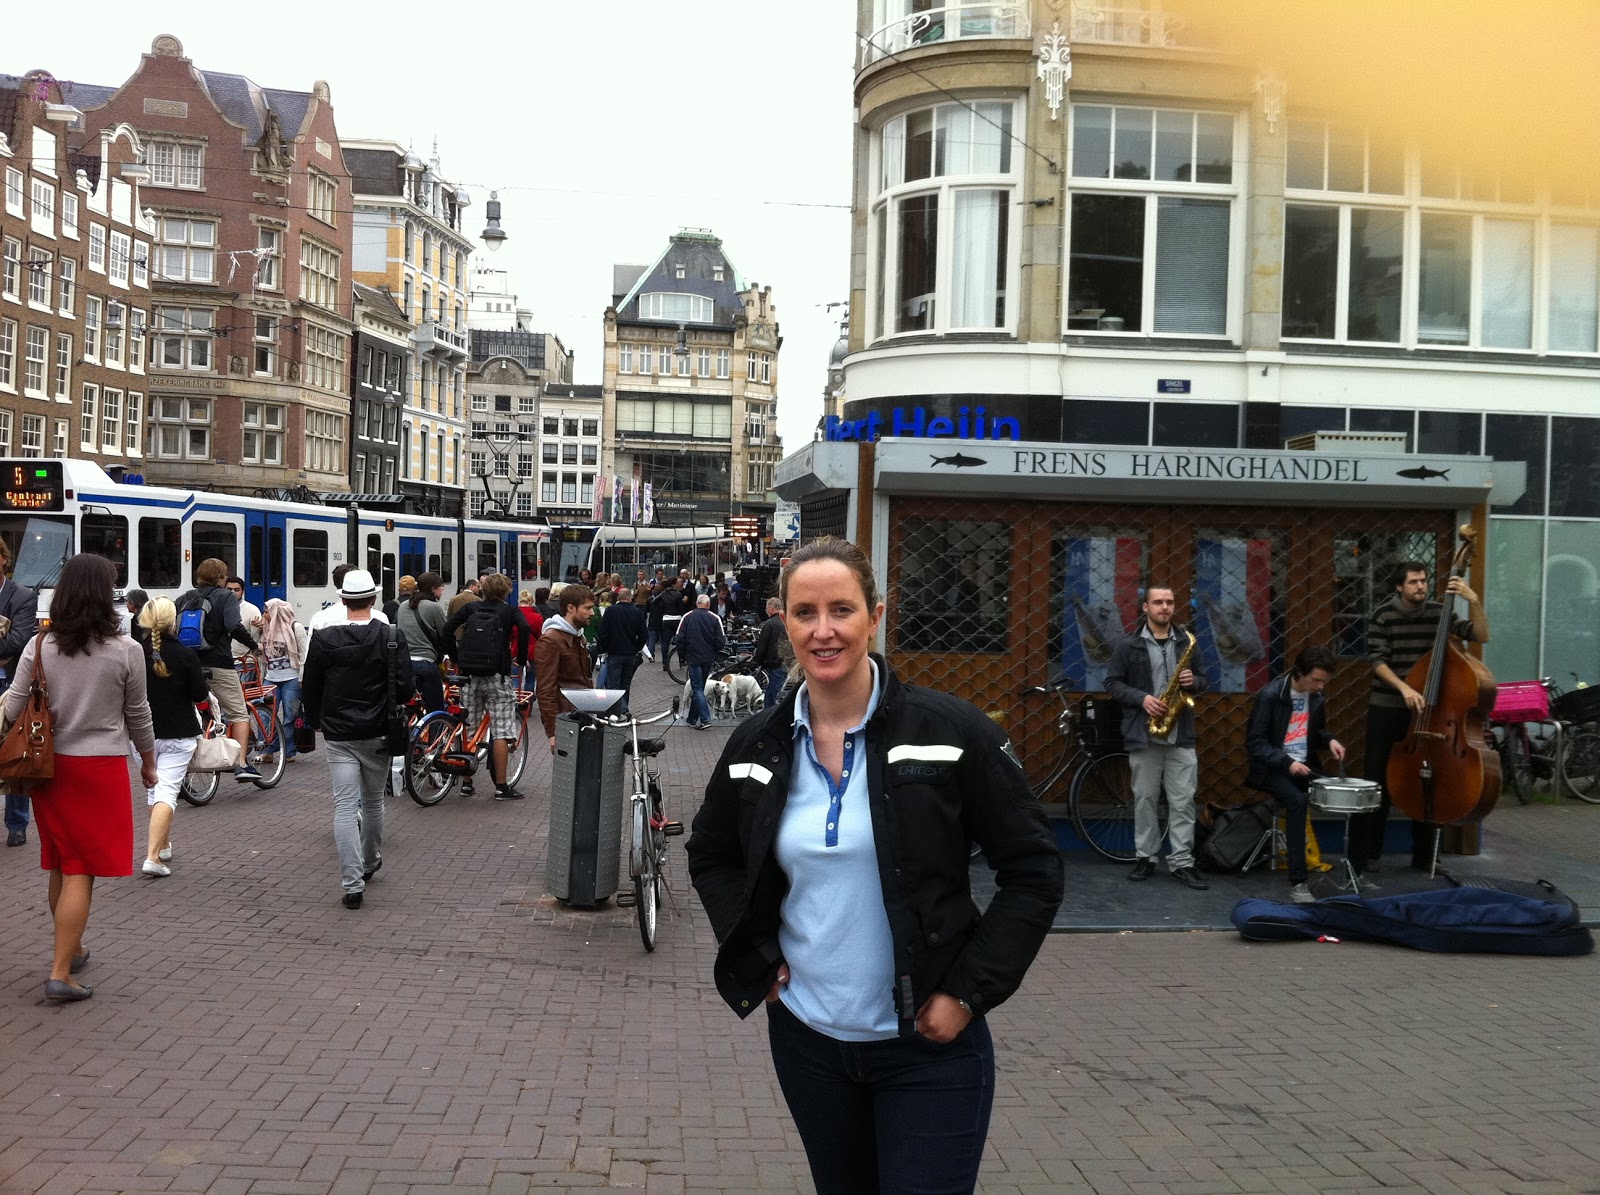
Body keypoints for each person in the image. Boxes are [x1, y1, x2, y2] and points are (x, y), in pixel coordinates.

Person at [686, 537, 1063, 1194]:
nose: (823, 630)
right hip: (809, 1042)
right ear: (784, 620)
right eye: (805, 612)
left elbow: (1034, 870)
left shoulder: (949, 732)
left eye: (842, 609)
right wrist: (754, 950)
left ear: (875, 616)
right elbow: (710, 852)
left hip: (928, 1047)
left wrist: (967, 993)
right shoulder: (759, 743)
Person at [2, 554, 159, 1001]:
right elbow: (138, 715)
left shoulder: (39, 645)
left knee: (61, 861)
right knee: (81, 869)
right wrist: (149, 763)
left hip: (48, 768)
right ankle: (60, 973)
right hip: (99, 768)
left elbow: (14, 705)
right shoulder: (126, 650)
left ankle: (71, 950)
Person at [1353, 559, 1489, 879]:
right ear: (1399, 586)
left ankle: (1425, 856)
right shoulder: (1383, 614)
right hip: (1389, 706)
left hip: (1430, 710)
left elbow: (1481, 635)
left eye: (1424, 581)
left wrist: (1473, 601)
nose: (1421, 587)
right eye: (1413, 582)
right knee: (1378, 779)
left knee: (1429, 777)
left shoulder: (1439, 613)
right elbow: (1377, 661)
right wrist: (1404, 688)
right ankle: (1370, 852)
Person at [301, 569, 415, 909]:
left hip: (339, 733)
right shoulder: (390, 635)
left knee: (345, 806)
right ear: (374, 599)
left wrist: (317, 721)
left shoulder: (324, 638)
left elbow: (311, 687)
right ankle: (370, 861)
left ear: (343, 599)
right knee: (374, 801)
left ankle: (352, 884)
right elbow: (406, 687)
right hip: (378, 730)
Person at [1105, 583, 1210, 890]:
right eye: (1158, 602)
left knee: (1183, 802)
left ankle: (1182, 862)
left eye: (1170, 602)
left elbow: (1205, 680)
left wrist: (1194, 681)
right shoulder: (1128, 644)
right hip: (1144, 733)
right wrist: (1142, 699)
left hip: (1180, 735)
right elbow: (1112, 683)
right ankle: (1146, 858)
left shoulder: (1187, 641)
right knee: (1145, 800)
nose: (1165, 607)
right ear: (1146, 607)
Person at [1245, 645, 1347, 904]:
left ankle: (1356, 870)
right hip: (1273, 768)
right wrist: (1287, 762)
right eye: (1316, 680)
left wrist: (1330, 740)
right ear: (1299, 672)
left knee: (1351, 792)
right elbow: (1255, 743)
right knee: (1297, 802)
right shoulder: (1270, 695)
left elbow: (1316, 732)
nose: (1320, 686)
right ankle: (1299, 882)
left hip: (1304, 765)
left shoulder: (1315, 696)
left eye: (1324, 681)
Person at [132, 598, 207, 877]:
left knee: (154, 790)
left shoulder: (134, 653)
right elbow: (200, 695)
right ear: (173, 621)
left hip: (143, 735)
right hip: (179, 732)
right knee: (167, 793)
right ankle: (153, 856)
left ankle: (163, 846)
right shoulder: (186, 655)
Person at [442, 573, 533, 799]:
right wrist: (521, 659)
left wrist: (456, 657)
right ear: (506, 591)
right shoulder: (510, 611)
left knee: (468, 727)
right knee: (501, 730)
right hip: (496, 675)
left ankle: (466, 783)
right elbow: (524, 628)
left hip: (469, 675)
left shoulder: (471, 608)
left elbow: (447, 628)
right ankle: (502, 787)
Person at [178, 559, 263, 782]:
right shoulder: (225, 597)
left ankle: (182, 772)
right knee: (238, 713)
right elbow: (235, 627)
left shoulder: (185, 598)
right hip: (218, 663)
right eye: (225, 576)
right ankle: (241, 764)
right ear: (220, 577)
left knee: (192, 713)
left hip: (190, 664)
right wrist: (254, 646)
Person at [0, 538, 39, 848]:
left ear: (3, 559)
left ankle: (16, 823)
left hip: (10, 685)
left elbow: (18, 641)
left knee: (14, 752)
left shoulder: (23, 596)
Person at [535, 584, 597, 755]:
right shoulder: (551, 640)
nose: (592, 613)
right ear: (571, 608)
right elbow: (545, 689)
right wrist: (553, 732)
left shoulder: (578, 637)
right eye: (587, 608)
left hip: (582, 713)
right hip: (567, 718)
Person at [258, 598, 309, 759]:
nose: (264, 614)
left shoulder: (295, 627)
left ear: (276, 611)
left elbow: (304, 654)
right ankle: (267, 750)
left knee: (290, 715)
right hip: (270, 677)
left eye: (266, 611)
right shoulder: (265, 628)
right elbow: (261, 650)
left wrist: (302, 678)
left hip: (292, 678)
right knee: (264, 714)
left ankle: (288, 751)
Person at [397, 572, 448, 712]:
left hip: (404, 664)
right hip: (426, 664)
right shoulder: (434, 607)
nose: (443, 589)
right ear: (433, 589)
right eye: (441, 586)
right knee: (435, 710)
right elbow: (445, 635)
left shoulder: (403, 606)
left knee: (406, 706)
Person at [677, 593, 728, 730]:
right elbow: (721, 640)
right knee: (700, 687)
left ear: (696, 603)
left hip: (693, 657)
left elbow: (679, 638)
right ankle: (692, 719)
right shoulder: (715, 618)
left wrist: (683, 655)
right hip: (708, 658)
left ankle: (705, 719)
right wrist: (714, 652)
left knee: (697, 688)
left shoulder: (687, 617)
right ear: (708, 604)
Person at [597, 585, 650, 712]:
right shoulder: (637, 612)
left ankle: (619, 710)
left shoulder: (611, 611)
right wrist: (636, 647)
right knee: (625, 684)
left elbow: (603, 632)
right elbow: (644, 635)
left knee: (613, 684)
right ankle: (623, 710)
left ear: (618, 598)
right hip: (630, 653)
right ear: (630, 598)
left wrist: (604, 647)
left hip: (614, 652)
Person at [308, 563, 391, 634]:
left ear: (343, 599)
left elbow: (311, 647)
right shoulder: (381, 619)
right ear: (374, 599)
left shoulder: (319, 619)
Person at [749, 595, 790, 712]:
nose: (766, 611)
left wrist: (755, 662)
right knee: (774, 692)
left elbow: (762, 645)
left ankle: (771, 716)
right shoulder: (787, 622)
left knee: (773, 694)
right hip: (785, 662)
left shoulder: (769, 624)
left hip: (774, 663)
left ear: (771, 608)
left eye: (766, 608)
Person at [653, 576, 689, 673]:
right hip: (677, 619)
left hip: (666, 619)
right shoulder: (678, 594)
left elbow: (654, 601)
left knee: (665, 642)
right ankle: (681, 660)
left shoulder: (663, 593)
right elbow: (681, 608)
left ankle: (665, 663)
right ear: (674, 584)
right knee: (679, 640)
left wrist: (662, 607)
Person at [225, 576, 263, 666]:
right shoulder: (218, 608)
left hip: (244, 662)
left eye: (236, 590)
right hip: (222, 661)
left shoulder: (252, 610)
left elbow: (256, 637)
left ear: (243, 592)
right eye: (229, 589)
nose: (232, 593)